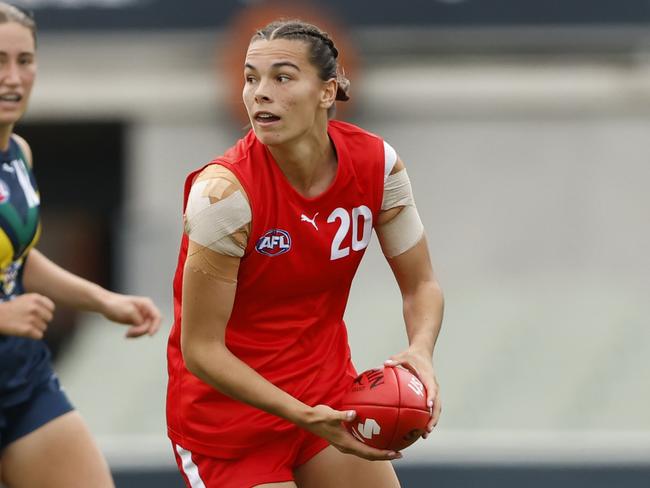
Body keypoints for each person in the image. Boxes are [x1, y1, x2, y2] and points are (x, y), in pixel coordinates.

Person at [167, 19, 444, 488]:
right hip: (229, 427)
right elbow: (201, 350)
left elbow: (421, 285)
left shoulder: (377, 165)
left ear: (327, 91)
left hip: (327, 402)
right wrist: (303, 415)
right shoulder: (223, 194)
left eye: (282, 77)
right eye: (251, 78)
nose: (260, 93)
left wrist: (421, 352)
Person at [0, 4, 162, 487]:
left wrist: (104, 300)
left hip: (20, 381)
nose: (13, 77)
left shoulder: (19, 153)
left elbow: (17, 260)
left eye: (24, 61)